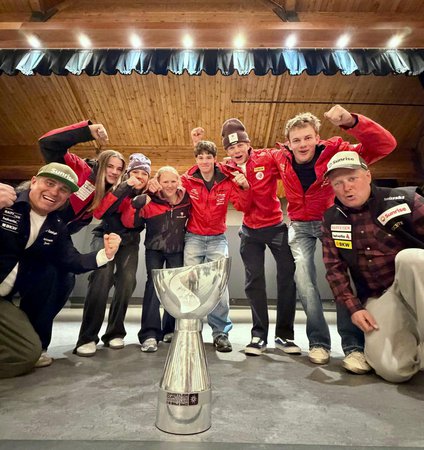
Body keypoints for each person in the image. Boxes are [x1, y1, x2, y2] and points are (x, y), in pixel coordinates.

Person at [274, 105, 397, 365]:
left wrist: (353, 122)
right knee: (304, 279)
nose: (303, 144)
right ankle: (318, 342)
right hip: (300, 225)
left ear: (317, 137)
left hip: (333, 221)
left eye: (308, 138)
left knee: (343, 278)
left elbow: (384, 145)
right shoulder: (280, 158)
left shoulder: (337, 152)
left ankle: (353, 347)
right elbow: (248, 162)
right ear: (288, 144)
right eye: (297, 140)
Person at [0, 163, 121, 378]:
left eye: (63, 189)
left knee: (27, 353)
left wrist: (106, 254)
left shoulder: (56, 225)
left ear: (67, 197)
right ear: (34, 181)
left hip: (3, 302)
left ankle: (37, 340)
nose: (55, 192)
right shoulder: (6, 202)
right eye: (50, 183)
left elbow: (71, 260)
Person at [322, 150, 424, 382]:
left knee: (411, 259)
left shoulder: (404, 200)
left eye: (352, 178)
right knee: (393, 370)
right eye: (338, 183)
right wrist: (355, 308)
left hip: (415, 279)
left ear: (368, 176)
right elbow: (334, 269)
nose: (346, 187)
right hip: (382, 295)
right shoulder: (331, 219)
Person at [38, 121, 126, 361]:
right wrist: (86, 131)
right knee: (43, 281)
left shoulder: (107, 193)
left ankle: (39, 345)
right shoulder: (81, 170)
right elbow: (48, 144)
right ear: (101, 163)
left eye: (119, 169)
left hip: (57, 236)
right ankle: (33, 343)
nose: (115, 172)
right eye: (111, 166)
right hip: (35, 229)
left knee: (63, 281)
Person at [218, 120, 298, 357]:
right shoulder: (227, 170)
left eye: (240, 145)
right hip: (250, 231)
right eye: (231, 148)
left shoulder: (267, 157)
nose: (236, 151)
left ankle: (284, 335)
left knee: (287, 279)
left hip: (276, 227)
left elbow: (290, 170)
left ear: (248, 144)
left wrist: (289, 151)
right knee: (254, 282)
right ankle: (258, 335)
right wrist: (244, 187)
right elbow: (242, 206)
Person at [170, 138, 250, 352]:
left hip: (217, 239)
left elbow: (243, 205)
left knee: (219, 286)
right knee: (189, 285)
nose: (204, 161)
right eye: (200, 157)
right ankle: (190, 329)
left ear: (215, 159)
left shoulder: (226, 180)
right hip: (193, 238)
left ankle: (220, 333)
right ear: (196, 159)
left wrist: (244, 187)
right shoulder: (187, 180)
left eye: (208, 157)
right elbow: (171, 196)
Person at [73, 153, 150, 357]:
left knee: (127, 282)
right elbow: (99, 212)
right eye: (135, 172)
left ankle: (115, 333)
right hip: (105, 235)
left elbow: (132, 222)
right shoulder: (117, 188)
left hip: (130, 241)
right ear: (127, 174)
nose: (139, 176)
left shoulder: (148, 195)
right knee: (102, 278)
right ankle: (87, 337)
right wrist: (125, 187)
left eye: (144, 173)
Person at [121, 166, 191, 352]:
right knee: (153, 287)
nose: (170, 185)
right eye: (165, 181)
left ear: (179, 182)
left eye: (173, 181)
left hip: (177, 250)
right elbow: (130, 222)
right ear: (158, 183)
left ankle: (170, 330)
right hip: (154, 250)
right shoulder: (149, 200)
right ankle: (149, 334)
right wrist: (136, 204)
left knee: (175, 289)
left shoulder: (186, 200)